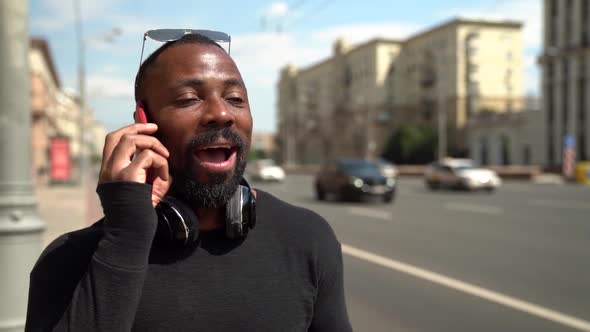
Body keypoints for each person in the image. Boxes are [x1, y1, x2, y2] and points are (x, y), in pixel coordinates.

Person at [25, 31, 352, 331]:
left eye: (235, 99)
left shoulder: (308, 238)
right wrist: (125, 240)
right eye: (188, 99)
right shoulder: (69, 259)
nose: (222, 113)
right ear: (143, 122)